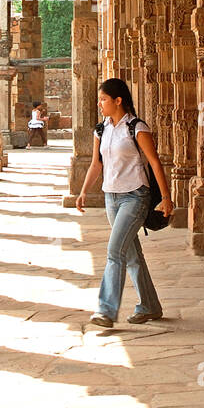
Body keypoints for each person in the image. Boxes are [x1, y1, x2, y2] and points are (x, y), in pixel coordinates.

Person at [75, 77, 172, 327]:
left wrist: (167, 198)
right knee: (131, 254)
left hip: (135, 195)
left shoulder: (137, 128)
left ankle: (106, 310)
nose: (100, 104)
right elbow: (97, 164)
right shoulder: (101, 129)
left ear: (118, 100)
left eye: (103, 99)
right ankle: (150, 306)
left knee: (114, 251)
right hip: (111, 197)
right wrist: (84, 191)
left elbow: (154, 162)